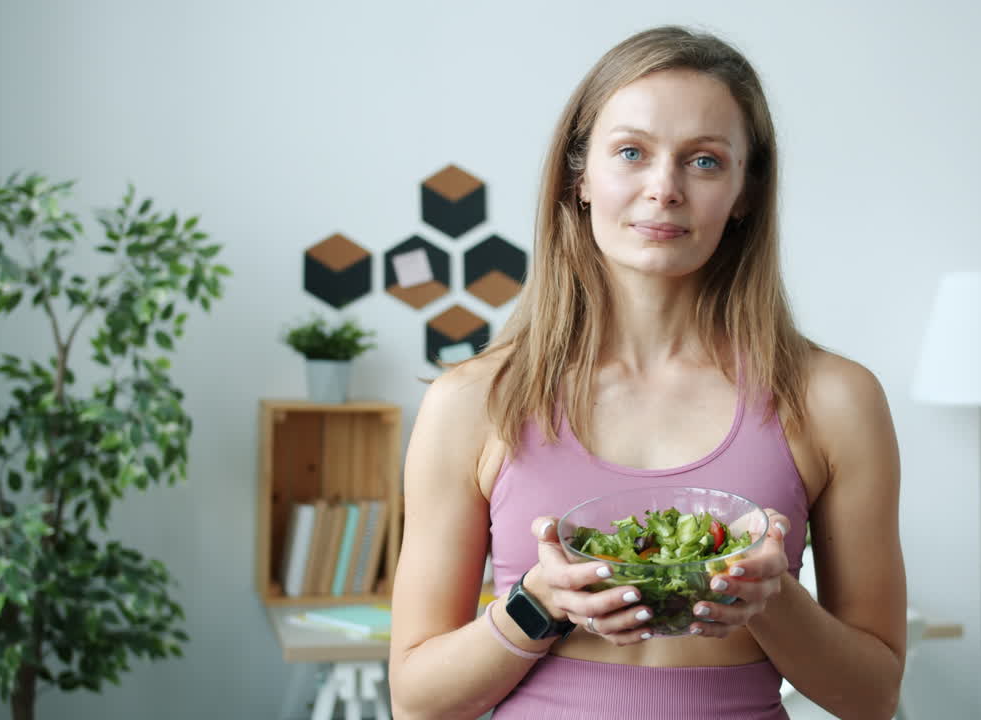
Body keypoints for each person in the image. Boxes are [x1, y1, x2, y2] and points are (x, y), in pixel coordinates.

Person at [388, 25, 906, 720]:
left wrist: (772, 599)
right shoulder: (473, 403)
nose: (664, 189)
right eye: (631, 152)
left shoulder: (835, 400)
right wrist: (538, 605)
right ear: (581, 177)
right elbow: (417, 701)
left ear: (745, 193)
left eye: (704, 162)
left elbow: (873, 697)